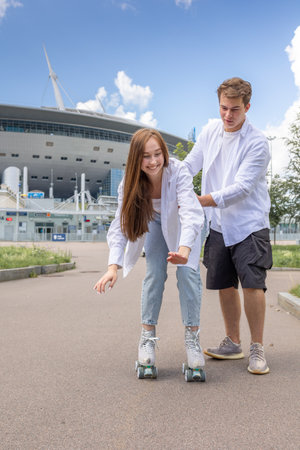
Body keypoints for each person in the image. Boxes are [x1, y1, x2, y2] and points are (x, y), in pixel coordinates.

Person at [94, 128, 205, 377]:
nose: (154, 161)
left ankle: (192, 340)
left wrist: (185, 250)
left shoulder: (178, 171)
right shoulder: (129, 182)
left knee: (187, 276)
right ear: (136, 158)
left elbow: (190, 212)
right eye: (146, 156)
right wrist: (113, 266)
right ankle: (147, 339)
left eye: (158, 154)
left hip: (184, 226)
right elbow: (121, 224)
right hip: (153, 223)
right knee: (155, 273)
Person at [183, 77, 273, 375]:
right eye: (223, 107)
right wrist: (170, 183)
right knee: (223, 283)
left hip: (249, 224)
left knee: (252, 284)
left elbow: (242, 188)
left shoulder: (257, 142)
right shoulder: (210, 130)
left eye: (235, 109)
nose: (227, 115)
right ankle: (233, 342)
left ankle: (257, 348)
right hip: (218, 224)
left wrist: (201, 200)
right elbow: (189, 165)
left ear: (247, 107)